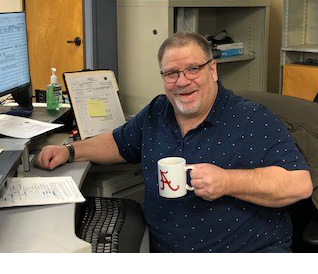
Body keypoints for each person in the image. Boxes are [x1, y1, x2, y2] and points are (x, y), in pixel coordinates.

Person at [37, 32, 313, 252]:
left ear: (213, 70)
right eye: (171, 73)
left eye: (193, 69)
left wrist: (228, 182)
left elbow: (299, 184)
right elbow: (118, 143)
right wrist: (70, 151)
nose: (182, 81)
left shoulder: (252, 118)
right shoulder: (157, 112)